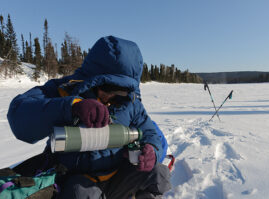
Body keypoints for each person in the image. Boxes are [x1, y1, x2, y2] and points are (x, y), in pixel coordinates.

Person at [7, 36, 171, 199]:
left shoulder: (131, 103)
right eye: (107, 87)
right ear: (93, 78)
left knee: (158, 174)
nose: (111, 96)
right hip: (74, 180)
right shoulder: (64, 89)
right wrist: (70, 107)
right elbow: (18, 116)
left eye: (120, 92)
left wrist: (152, 150)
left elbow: (150, 131)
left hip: (117, 177)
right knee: (82, 193)